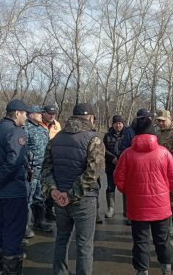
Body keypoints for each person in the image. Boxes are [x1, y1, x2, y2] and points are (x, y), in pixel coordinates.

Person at [41, 103, 105, 275]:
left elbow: (46, 170)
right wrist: (71, 195)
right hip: (83, 199)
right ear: (90, 118)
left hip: (59, 198)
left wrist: (53, 191)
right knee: (84, 244)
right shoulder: (94, 139)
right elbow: (92, 173)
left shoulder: (55, 139)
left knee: (61, 238)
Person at [114, 116, 173, 275]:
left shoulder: (127, 154)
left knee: (141, 241)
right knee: (162, 239)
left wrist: (130, 192)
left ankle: (142, 270)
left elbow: (119, 179)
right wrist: (163, 191)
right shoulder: (164, 153)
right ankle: (166, 267)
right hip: (161, 207)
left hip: (137, 208)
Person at [0, 99, 32, 275]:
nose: (26, 118)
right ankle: (11, 270)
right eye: (25, 114)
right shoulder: (15, 131)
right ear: (17, 113)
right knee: (14, 230)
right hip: (12, 190)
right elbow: (15, 161)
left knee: (1, 228)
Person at [155, 110, 173, 249]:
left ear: (170, 119)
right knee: (164, 203)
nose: (160, 123)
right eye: (158, 121)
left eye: (163, 121)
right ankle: (167, 231)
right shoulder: (159, 133)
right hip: (160, 175)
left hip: (172, 174)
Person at [24, 106, 53, 233]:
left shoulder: (43, 129)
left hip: (42, 168)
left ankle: (39, 221)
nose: (42, 115)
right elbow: (22, 149)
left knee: (40, 196)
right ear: (31, 115)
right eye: (38, 113)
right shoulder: (25, 129)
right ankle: (23, 226)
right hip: (30, 169)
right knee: (27, 197)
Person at [103, 115, 132, 219]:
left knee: (126, 188)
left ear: (123, 124)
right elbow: (103, 149)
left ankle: (127, 210)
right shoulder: (107, 135)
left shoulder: (128, 134)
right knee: (110, 187)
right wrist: (112, 158)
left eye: (120, 123)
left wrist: (121, 158)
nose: (118, 125)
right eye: (116, 123)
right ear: (113, 124)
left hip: (125, 165)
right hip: (111, 165)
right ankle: (111, 208)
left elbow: (130, 148)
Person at [41, 104, 62, 221]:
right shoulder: (38, 124)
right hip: (39, 160)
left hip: (52, 159)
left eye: (54, 113)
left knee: (51, 186)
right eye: (50, 113)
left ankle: (49, 210)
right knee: (39, 190)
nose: (52, 115)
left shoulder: (57, 125)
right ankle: (38, 215)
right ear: (43, 113)